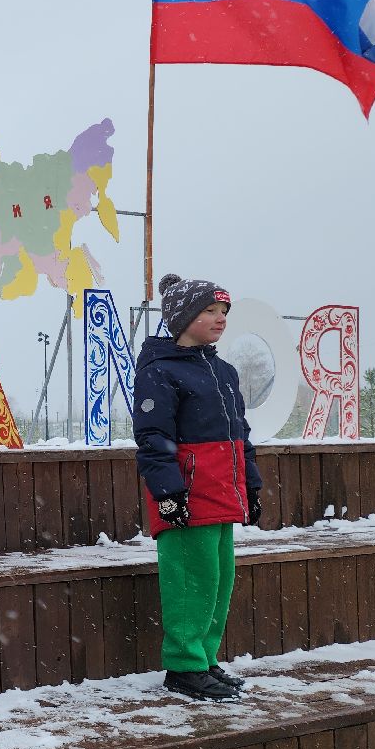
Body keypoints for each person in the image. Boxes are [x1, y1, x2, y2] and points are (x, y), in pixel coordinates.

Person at [133, 273, 263, 702]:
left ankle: (205, 658)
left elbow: (240, 434)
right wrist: (167, 493)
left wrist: (253, 486)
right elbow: (152, 437)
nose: (219, 318)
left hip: (224, 488)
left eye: (224, 311)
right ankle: (184, 667)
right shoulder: (160, 370)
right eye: (210, 310)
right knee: (190, 579)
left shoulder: (223, 371)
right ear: (183, 316)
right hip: (186, 492)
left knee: (217, 578)